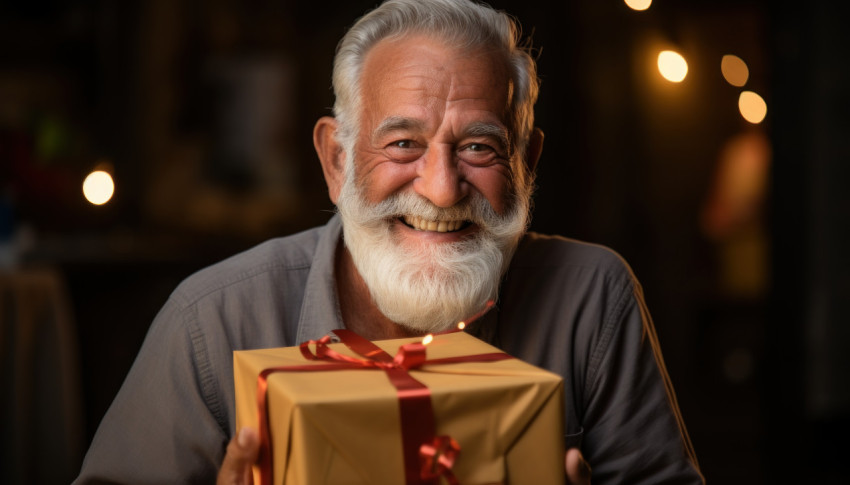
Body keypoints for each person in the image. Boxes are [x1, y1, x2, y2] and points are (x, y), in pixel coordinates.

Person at [75, 0, 704, 483]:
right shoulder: (213, 321)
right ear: (336, 159)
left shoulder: (593, 296)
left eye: (480, 147)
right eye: (403, 144)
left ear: (526, 166)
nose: (440, 189)